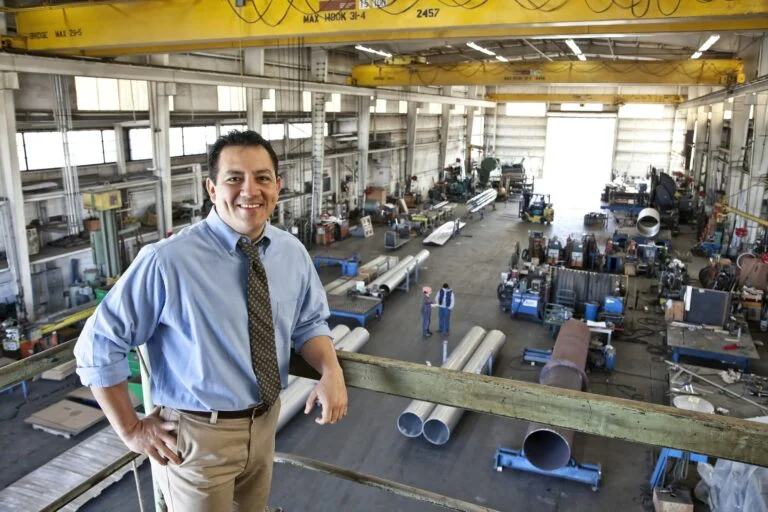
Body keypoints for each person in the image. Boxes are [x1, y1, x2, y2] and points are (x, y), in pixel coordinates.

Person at [74, 130, 347, 511]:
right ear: (212, 188)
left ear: (278, 186)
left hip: (266, 424)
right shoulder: (168, 260)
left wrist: (330, 370)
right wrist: (131, 430)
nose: (250, 190)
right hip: (196, 440)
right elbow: (98, 344)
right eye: (234, 178)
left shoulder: (291, 253)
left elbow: (308, 324)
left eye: (262, 177)